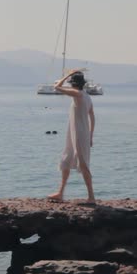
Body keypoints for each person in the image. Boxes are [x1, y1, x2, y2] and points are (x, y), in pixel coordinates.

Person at [47, 70, 96, 204]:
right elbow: (92, 117)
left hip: (79, 134)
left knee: (83, 164)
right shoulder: (86, 96)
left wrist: (68, 75)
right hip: (76, 133)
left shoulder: (78, 94)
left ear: (73, 84)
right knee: (66, 161)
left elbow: (56, 87)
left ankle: (91, 197)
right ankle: (60, 193)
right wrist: (91, 136)